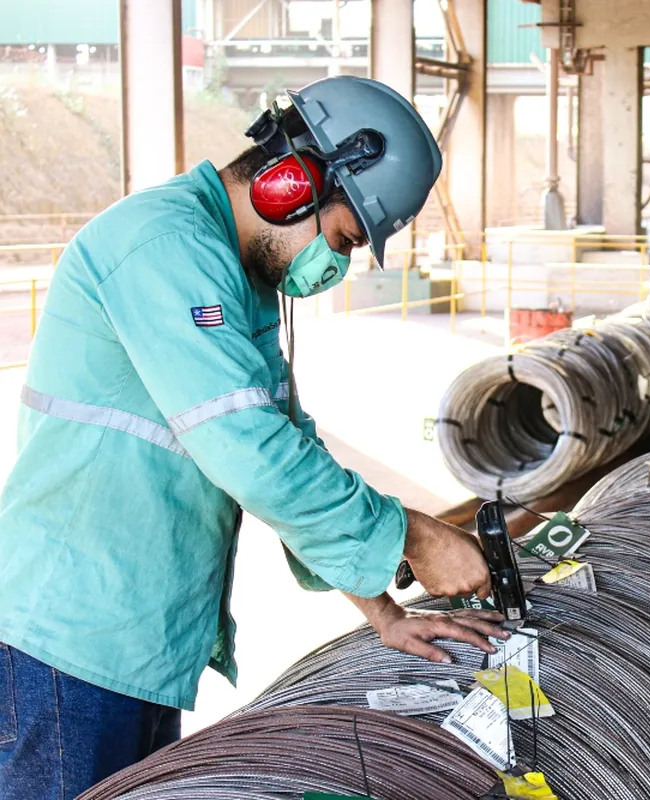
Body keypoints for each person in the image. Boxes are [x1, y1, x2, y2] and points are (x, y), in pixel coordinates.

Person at [0, 76, 505, 798]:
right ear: (291, 185)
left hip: (136, 642)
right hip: (66, 644)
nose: (335, 267)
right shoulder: (164, 248)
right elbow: (249, 451)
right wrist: (414, 535)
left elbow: (288, 446)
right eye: (344, 239)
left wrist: (384, 613)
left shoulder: (237, 275)